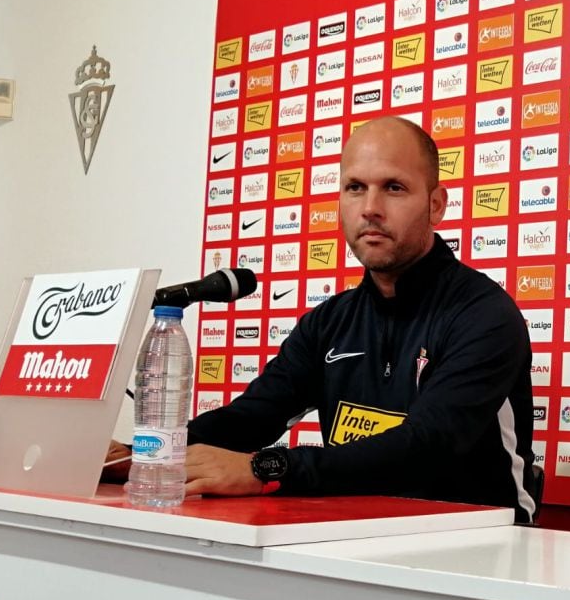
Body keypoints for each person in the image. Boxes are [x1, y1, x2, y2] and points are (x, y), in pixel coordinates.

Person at [109, 116, 537, 521]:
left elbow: (426, 447)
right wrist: (139, 456)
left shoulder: (485, 315)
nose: (370, 208)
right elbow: (253, 418)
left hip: (479, 546)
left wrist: (266, 469)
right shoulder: (329, 322)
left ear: (436, 204)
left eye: (393, 188)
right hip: (352, 536)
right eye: (355, 187)